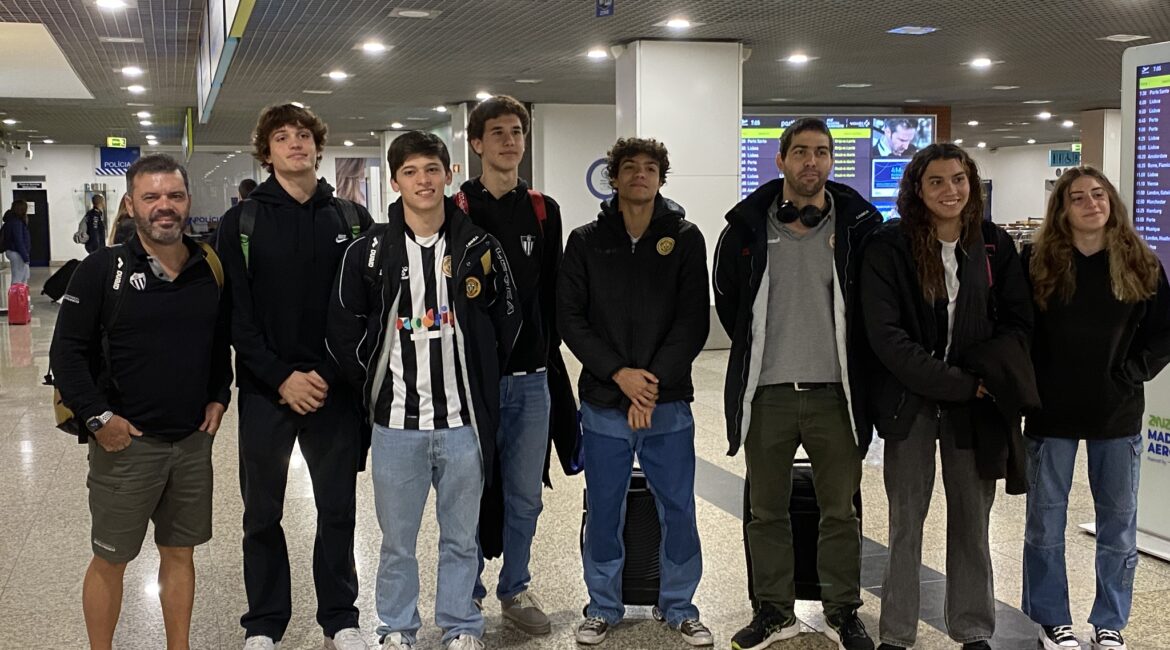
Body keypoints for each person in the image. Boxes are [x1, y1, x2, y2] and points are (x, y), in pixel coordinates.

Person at [327, 130, 520, 650]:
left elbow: (507, 320)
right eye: (410, 172)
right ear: (395, 182)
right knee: (397, 542)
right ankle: (396, 627)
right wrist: (372, 382)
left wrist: (481, 372)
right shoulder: (368, 252)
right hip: (396, 427)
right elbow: (342, 328)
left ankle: (461, 625)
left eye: (432, 169)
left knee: (461, 537)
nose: (423, 181)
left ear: (449, 174)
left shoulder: (479, 247)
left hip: (462, 424)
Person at [48, 153, 232, 650]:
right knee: (111, 559)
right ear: (131, 205)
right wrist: (99, 419)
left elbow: (218, 343)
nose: (164, 206)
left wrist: (219, 396)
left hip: (191, 442)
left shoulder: (208, 266)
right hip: (126, 445)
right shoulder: (101, 269)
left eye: (174, 195)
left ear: (187, 201)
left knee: (180, 554)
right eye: (151, 197)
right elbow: (66, 354)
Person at [714, 117, 880, 650]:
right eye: (802, 151)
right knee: (766, 511)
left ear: (831, 161)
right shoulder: (747, 227)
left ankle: (842, 611)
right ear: (781, 160)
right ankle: (773, 611)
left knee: (840, 512)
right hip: (769, 394)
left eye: (822, 152)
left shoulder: (858, 228)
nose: (812, 161)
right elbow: (730, 303)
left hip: (836, 394)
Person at [860, 143, 1034, 650]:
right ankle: (897, 632)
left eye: (958, 179)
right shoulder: (888, 247)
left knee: (972, 521)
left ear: (971, 184)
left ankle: (973, 627)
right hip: (910, 401)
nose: (950, 190)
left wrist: (983, 379)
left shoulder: (994, 245)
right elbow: (887, 336)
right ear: (917, 189)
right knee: (905, 522)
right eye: (935, 181)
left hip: (976, 407)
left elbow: (1019, 321)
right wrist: (957, 382)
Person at [216, 103, 374, 650]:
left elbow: (365, 309)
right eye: (282, 137)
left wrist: (327, 373)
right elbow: (237, 316)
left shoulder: (352, 219)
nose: (295, 143)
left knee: (338, 509)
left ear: (318, 145)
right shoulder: (242, 222)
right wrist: (282, 377)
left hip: (334, 390)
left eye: (303, 134)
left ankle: (340, 617)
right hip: (266, 390)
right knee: (261, 513)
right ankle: (264, 623)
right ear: (267, 152)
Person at [559, 137, 713, 647]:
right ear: (615, 177)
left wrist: (649, 386)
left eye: (650, 168)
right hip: (604, 403)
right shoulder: (586, 241)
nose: (640, 175)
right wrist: (619, 376)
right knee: (605, 509)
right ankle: (602, 606)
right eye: (630, 167)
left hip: (667, 403)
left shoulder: (685, 238)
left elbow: (693, 321)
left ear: (661, 178)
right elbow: (571, 320)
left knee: (678, 509)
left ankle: (680, 606)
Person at [1020, 167, 1170, 650]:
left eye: (1099, 195)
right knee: (1045, 523)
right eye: (1079, 198)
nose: (1091, 204)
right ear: (1062, 210)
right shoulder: (1036, 262)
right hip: (1050, 412)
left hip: (1116, 412)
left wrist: (1133, 371)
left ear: (1112, 202)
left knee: (1118, 526)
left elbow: (1164, 332)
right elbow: (1018, 330)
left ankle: (1110, 621)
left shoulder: (1140, 261)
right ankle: (1051, 618)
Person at [458, 94, 566, 635]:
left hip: (531, 380)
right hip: (471, 382)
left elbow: (553, 292)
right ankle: (466, 593)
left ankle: (515, 586)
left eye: (517, 132)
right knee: (469, 493)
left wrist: (548, 356)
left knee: (525, 495)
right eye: (497, 132)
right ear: (477, 143)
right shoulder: (457, 209)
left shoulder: (544, 210)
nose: (509, 141)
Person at [1, 200, 32, 285]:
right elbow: (19, 241)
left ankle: (21, 294)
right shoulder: (16, 222)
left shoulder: (11, 220)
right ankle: (16, 294)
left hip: (14, 251)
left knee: (23, 277)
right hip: (17, 252)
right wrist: (25, 257)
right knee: (18, 278)